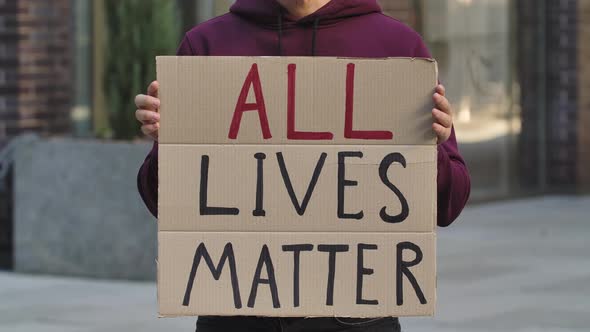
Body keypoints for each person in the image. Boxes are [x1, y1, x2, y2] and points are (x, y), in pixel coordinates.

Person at [135, 0, 471, 331]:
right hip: (235, 314)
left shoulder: (399, 48)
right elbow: (160, 202)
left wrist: (432, 148)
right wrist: (169, 143)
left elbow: (448, 205)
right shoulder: (207, 46)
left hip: (357, 317)